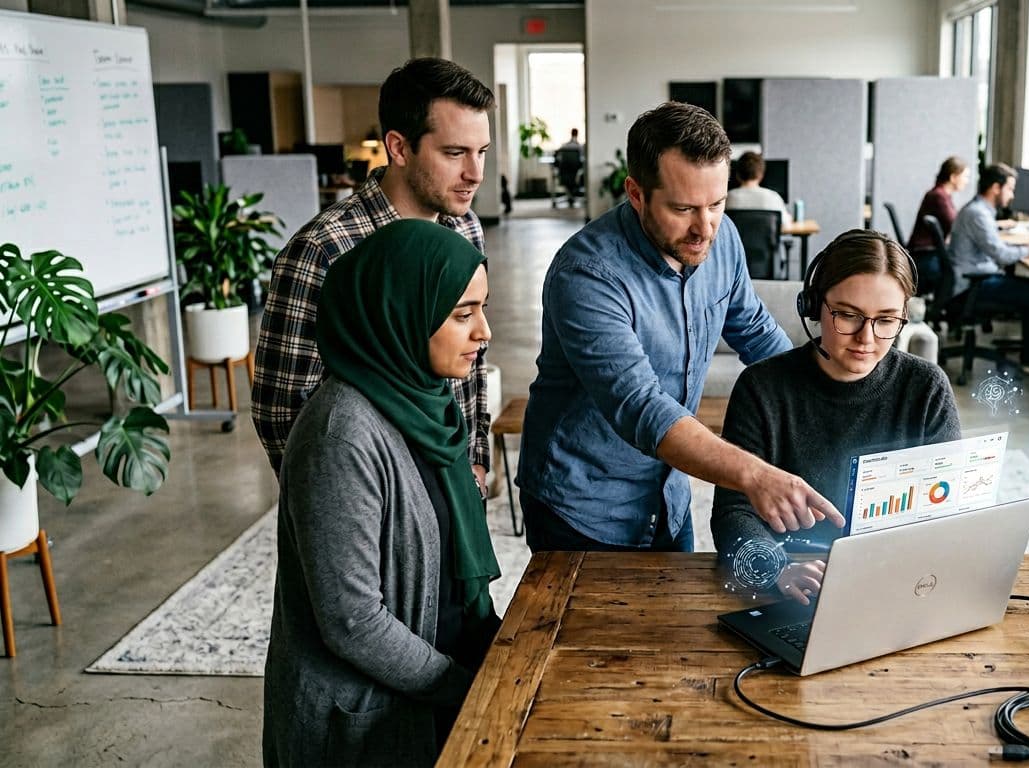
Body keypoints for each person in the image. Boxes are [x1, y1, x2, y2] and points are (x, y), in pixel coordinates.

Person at [517, 102, 844, 553]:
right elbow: (641, 406)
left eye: (716, 204)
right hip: (582, 504)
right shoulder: (586, 275)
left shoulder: (722, 239)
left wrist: (825, 403)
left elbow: (754, 330)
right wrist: (753, 474)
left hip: (667, 495)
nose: (704, 228)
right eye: (683, 208)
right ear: (636, 194)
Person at [262, 220, 500, 767]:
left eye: (481, 310)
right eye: (462, 315)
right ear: (401, 313)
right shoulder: (339, 437)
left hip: (434, 686)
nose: (483, 332)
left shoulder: (427, 404)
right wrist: (466, 687)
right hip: (366, 724)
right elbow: (353, 622)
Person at [252, 58, 495, 488]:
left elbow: (471, 361)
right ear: (399, 148)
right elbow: (281, 409)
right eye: (455, 153)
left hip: (451, 475)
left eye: (482, 152)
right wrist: (341, 503)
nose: (475, 174)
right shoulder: (323, 249)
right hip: (375, 492)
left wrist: (474, 459)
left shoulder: (465, 227)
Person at [711, 230, 961, 603]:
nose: (866, 338)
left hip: (897, 583)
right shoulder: (762, 387)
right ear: (814, 306)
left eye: (886, 320)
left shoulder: (927, 387)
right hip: (792, 587)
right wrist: (776, 568)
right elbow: (733, 513)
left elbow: (950, 511)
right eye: (848, 315)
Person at [948, 162, 1029, 378]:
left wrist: (1028, 247)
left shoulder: (979, 210)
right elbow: (1002, 255)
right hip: (973, 285)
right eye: (1010, 189)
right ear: (996, 188)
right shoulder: (978, 214)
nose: (1012, 195)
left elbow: (996, 247)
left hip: (974, 279)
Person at [907, 155, 968, 252]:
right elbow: (956, 226)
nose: (966, 181)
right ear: (953, 177)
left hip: (927, 250)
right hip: (926, 253)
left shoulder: (940, 194)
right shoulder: (939, 196)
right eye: (965, 177)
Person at [725, 150, 793, 226]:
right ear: (761, 176)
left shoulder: (727, 198)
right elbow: (786, 224)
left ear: (738, 175)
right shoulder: (773, 197)